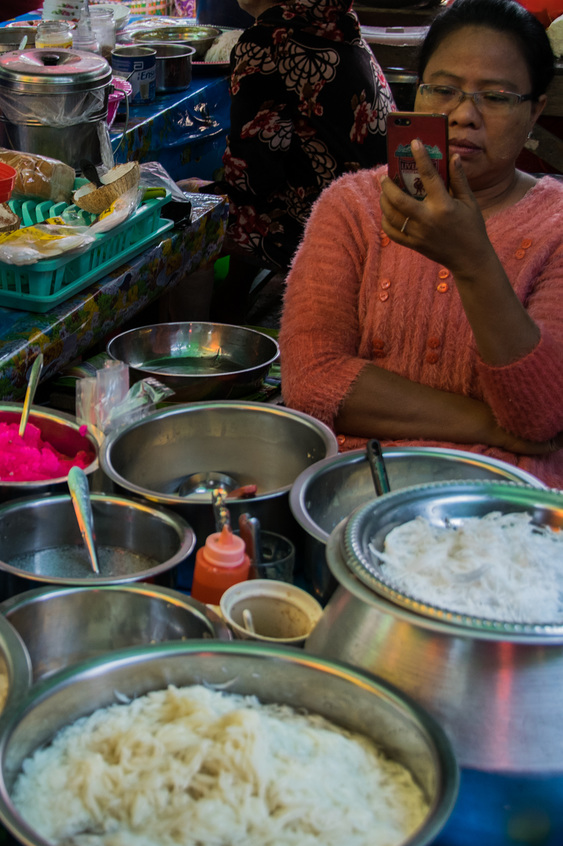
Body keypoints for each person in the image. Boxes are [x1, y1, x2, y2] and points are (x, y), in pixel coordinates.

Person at [279, 0, 563, 489]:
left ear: (535, 109)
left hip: (504, 500)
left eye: (495, 97)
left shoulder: (557, 225)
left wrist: (473, 261)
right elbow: (311, 382)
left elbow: (539, 415)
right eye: (444, 90)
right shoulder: (353, 205)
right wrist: (490, 424)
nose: (463, 115)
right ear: (418, 94)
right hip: (360, 484)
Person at [209, 0, 394, 322]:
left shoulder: (269, 40)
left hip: (330, 225)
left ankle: (206, 336)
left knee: (193, 213)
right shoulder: (333, 19)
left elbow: (252, 177)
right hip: (374, 211)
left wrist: (200, 188)